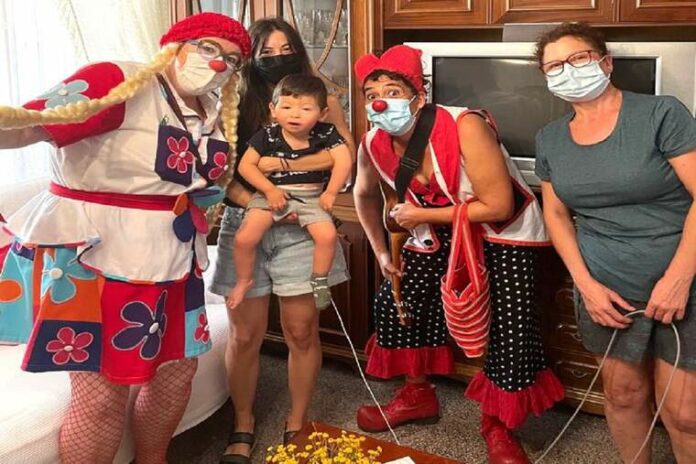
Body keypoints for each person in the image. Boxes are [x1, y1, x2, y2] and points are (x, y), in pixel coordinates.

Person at [0, 13, 249, 464]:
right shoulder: (119, 81)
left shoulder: (211, 108)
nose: (218, 64)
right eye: (208, 48)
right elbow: (30, 125)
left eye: (231, 59)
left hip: (176, 258)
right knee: (101, 395)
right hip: (98, 255)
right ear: (174, 46)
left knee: (177, 374)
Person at [352, 44, 564, 464]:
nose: (380, 101)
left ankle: (498, 426)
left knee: (508, 325)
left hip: (502, 231)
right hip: (437, 227)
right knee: (399, 303)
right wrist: (380, 253)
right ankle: (417, 395)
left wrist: (420, 214)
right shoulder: (374, 141)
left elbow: (498, 205)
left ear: (418, 96)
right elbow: (363, 194)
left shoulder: (465, 125)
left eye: (393, 91)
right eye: (371, 93)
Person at [535, 22, 696, 464]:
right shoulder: (550, 138)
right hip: (606, 290)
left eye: (578, 59)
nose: (567, 71)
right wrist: (585, 286)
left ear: (605, 63)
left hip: (684, 283)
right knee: (624, 395)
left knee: (684, 414)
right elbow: (556, 215)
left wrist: (678, 279)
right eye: (554, 66)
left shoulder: (661, 114)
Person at [209, 18, 354, 463]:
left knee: (302, 331)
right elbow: (223, 172)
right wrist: (266, 201)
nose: (278, 58)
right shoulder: (232, 100)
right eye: (266, 52)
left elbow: (346, 158)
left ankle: (297, 419)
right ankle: (243, 421)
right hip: (247, 217)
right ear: (251, 58)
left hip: (304, 227)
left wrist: (286, 168)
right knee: (245, 334)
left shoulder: (323, 100)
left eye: (286, 49)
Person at [229, 74, 352, 311]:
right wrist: (269, 190)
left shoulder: (326, 133)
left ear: (322, 113)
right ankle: (244, 280)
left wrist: (331, 193)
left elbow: (344, 160)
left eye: (305, 109)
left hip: (311, 198)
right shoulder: (267, 135)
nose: (295, 115)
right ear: (273, 110)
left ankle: (319, 280)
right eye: (286, 107)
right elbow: (245, 167)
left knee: (327, 236)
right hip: (271, 195)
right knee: (244, 237)